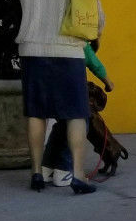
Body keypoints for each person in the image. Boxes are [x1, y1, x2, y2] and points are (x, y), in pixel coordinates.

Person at [11, 0, 103, 194]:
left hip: (31, 48)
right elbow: (92, 7)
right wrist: (96, 31)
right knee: (76, 113)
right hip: (68, 48)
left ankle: (37, 173)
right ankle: (77, 174)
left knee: (36, 112)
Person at [40, 39, 113, 186]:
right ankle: (63, 171)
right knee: (77, 126)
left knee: (60, 127)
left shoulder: (54, 38)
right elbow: (95, 64)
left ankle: (46, 168)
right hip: (70, 90)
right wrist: (108, 83)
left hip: (50, 87)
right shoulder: (79, 41)